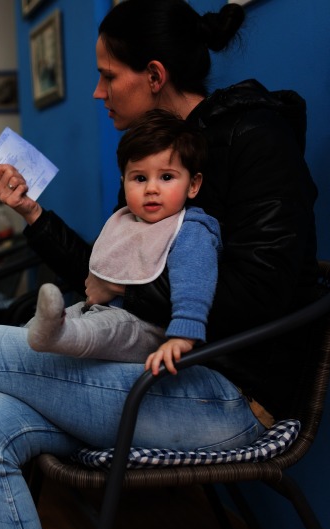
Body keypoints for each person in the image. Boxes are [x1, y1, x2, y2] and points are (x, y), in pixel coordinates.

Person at [0, 0, 318, 529]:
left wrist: (128, 287)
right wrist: (33, 215)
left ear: (154, 76)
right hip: (151, 370)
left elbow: (258, 295)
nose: (97, 93)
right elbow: (105, 277)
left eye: (107, 76)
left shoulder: (254, 139)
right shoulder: (156, 159)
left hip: (228, 396)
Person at [27, 108, 221, 377]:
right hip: (102, 313)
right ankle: (32, 334)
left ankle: (56, 336)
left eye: (166, 177)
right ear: (124, 182)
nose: (151, 188)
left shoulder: (191, 228)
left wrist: (183, 336)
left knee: (107, 326)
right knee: (70, 316)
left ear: (193, 185)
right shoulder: (125, 221)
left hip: (149, 329)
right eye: (140, 178)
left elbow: (194, 283)